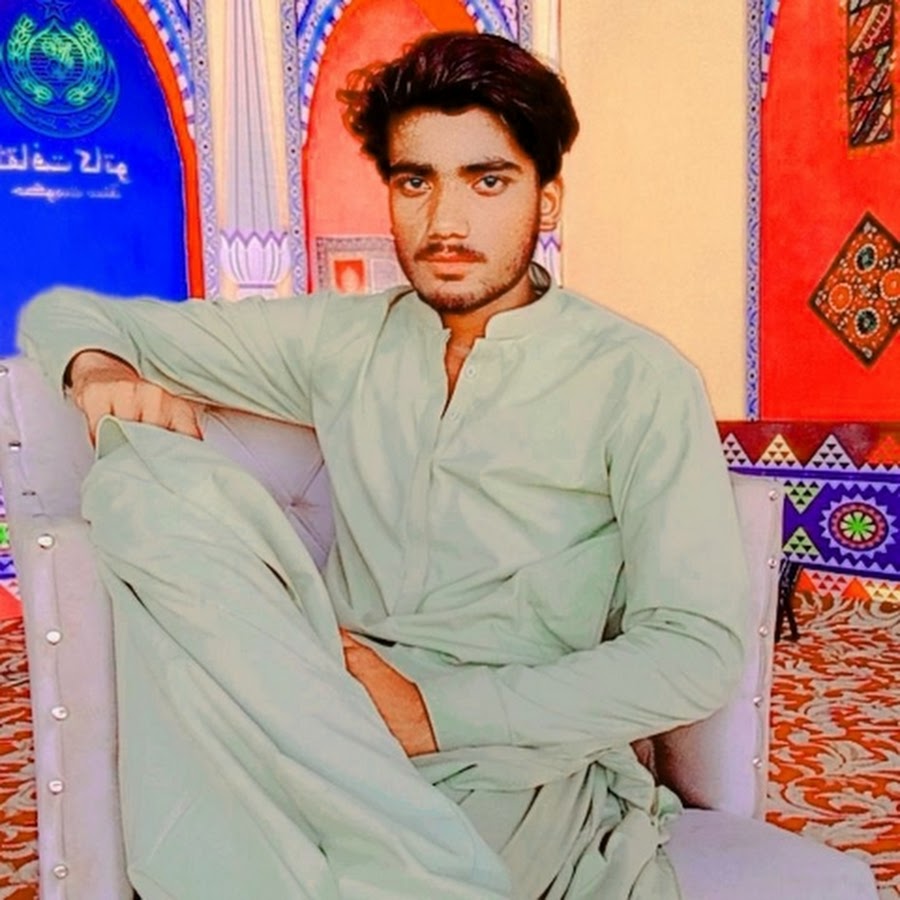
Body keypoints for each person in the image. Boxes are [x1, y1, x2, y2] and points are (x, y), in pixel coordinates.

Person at [18, 31, 748, 900]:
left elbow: (696, 651)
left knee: (232, 839)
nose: (446, 223)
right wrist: (97, 370)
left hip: (503, 763)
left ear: (547, 200)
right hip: (322, 715)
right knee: (140, 480)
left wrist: (436, 713)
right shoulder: (344, 339)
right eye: (415, 181)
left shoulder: (637, 378)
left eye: (487, 181)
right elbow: (66, 313)